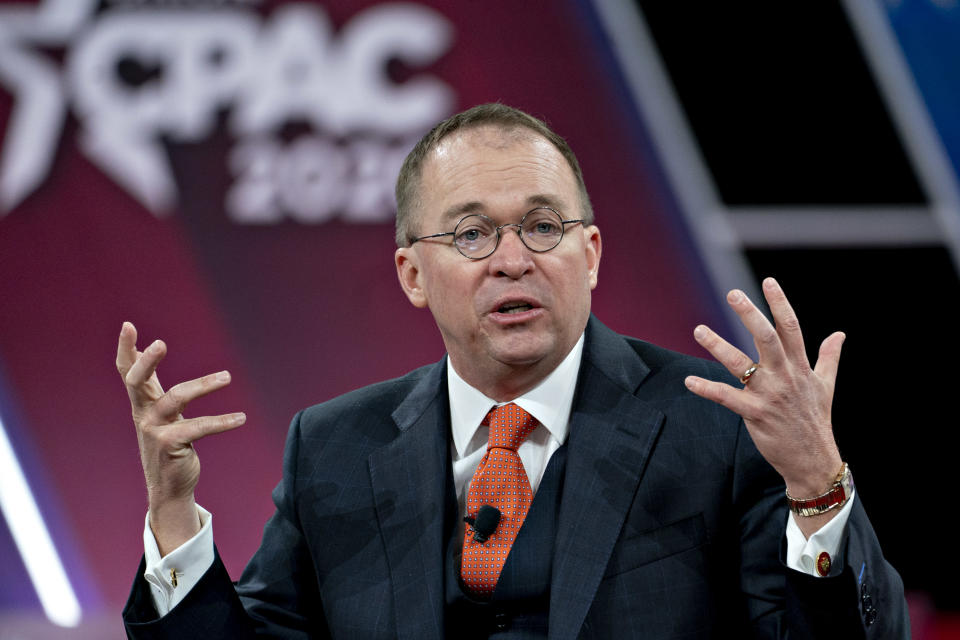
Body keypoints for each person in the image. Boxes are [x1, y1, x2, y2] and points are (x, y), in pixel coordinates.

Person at [118, 104, 907, 638]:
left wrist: (816, 486)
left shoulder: (720, 428)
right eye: (470, 235)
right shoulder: (333, 447)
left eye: (541, 226)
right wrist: (173, 514)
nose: (511, 261)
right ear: (411, 274)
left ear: (589, 255)